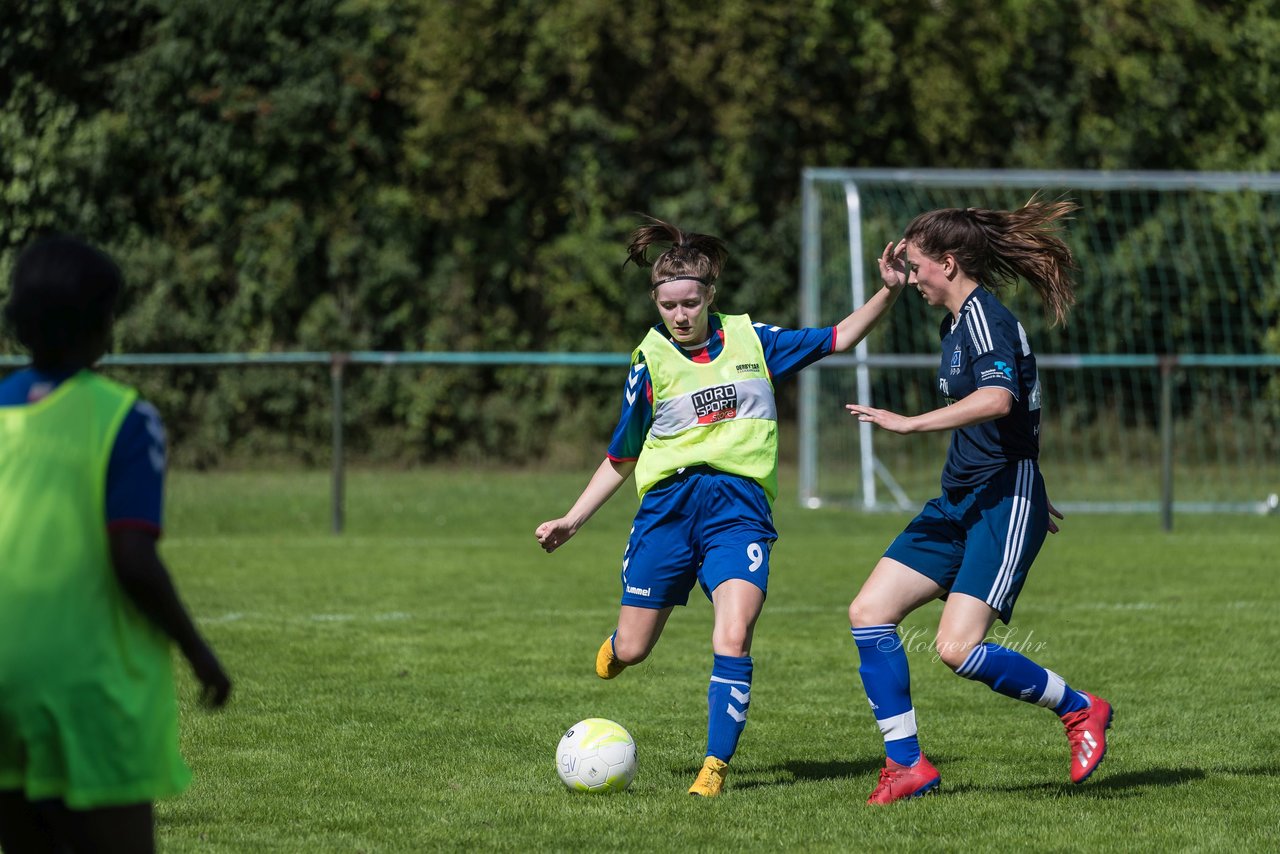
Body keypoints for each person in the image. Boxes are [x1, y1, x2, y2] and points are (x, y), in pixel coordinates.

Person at [535, 214, 905, 796]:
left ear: (710, 295)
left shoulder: (753, 340)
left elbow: (840, 337)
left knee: (733, 635)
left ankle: (714, 768)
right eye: (668, 306)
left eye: (689, 302)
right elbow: (623, 455)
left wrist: (888, 288)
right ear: (656, 304)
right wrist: (572, 520)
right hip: (668, 511)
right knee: (633, 648)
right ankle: (620, 646)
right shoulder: (649, 360)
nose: (680, 315)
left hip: (738, 510)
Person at [843, 198, 1113, 805]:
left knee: (956, 649)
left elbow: (999, 401)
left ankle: (1080, 710)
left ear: (947, 262)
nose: (912, 279)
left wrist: (911, 424)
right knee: (869, 612)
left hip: (1000, 497)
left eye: (915, 267)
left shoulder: (987, 319)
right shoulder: (955, 324)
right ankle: (906, 765)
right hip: (962, 498)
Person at [0, 235, 232, 853]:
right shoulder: (124, 419)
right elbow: (132, 557)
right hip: (86, 695)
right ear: (102, 323)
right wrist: (198, 652)